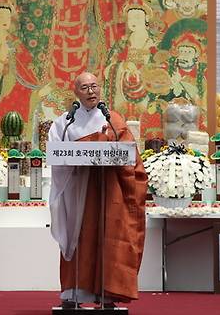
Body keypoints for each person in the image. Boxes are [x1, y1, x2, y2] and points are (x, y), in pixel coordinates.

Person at [48, 72, 148, 308]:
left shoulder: (113, 120)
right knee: (78, 239)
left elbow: (129, 156)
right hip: (77, 189)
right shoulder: (65, 122)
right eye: (85, 87)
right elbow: (56, 153)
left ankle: (107, 293)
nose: (91, 91)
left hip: (108, 190)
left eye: (94, 86)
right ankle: (74, 293)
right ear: (76, 92)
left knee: (108, 237)